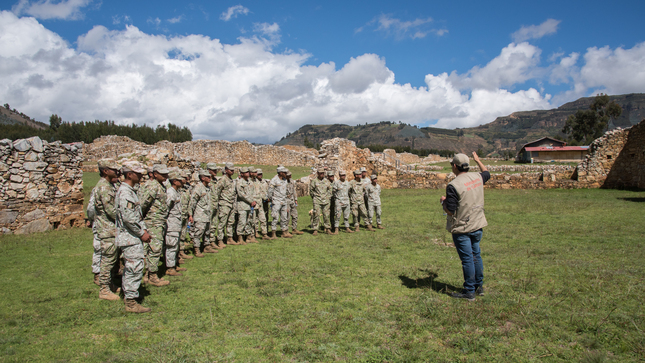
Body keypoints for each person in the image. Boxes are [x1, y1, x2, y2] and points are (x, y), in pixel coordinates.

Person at [440, 152, 490, 301]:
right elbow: (487, 172)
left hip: (462, 227)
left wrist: (443, 201)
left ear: (455, 166)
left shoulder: (454, 185)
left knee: (467, 259)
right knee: (476, 255)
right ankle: (478, 286)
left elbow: (450, 210)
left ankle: (469, 290)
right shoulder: (478, 177)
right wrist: (478, 160)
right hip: (477, 224)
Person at [115, 161, 152, 313]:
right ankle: (131, 302)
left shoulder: (130, 190)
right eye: (138, 173)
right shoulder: (125, 192)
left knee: (132, 266)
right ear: (129, 174)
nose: (141, 175)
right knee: (134, 267)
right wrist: (141, 233)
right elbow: (129, 218)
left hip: (131, 236)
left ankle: (128, 295)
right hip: (129, 237)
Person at [92, 159, 121, 300]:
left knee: (112, 258)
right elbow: (112, 211)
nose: (117, 172)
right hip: (107, 229)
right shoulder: (104, 187)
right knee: (108, 260)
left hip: (112, 229)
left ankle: (110, 285)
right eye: (113, 169)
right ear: (105, 171)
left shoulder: (110, 185)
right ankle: (104, 290)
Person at [139, 164, 171, 287]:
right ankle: (152, 275)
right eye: (163, 174)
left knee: (152, 249)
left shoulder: (160, 186)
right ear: (155, 174)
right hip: (152, 223)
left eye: (166, 174)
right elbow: (142, 205)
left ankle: (147, 274)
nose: (166, 176)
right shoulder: (152, 186)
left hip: (158, 222)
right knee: (154, 249)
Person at [165, 171, 187, 276]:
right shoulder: (170, 192)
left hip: (176, 223)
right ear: (174, 181)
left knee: (175, 245)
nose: (182, 181)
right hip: (171, 224)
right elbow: (166, 209)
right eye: (179, 180)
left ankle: (174, 265)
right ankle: (170, 268)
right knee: (171, 245)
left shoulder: (176, 191)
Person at [189, 170, 215, 256]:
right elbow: (192, 202)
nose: (210, 178)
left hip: (207, 214)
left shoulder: (207, 188)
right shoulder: (198, 187)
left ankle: (206, 246)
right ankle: (196, 249)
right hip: (200, 214)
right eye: (208, 177)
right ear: (202, 178)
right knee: (198, 232)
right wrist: (190, 214)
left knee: (207, 231)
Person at [214, 163, 238, 245]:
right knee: (222, 223)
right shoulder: (223, 180)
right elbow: (217, 191)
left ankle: (229, 238)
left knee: (230, 222)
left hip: (231, 203)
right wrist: (217, 203)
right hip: (224, 203)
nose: (232, 172)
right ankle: (220, 240)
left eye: (233, 170)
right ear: (226, 170)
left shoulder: (231, 180)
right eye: (231, 170)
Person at [235, 167, 257, 244]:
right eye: (246, 172)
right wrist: (250, 201)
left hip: (250, 206)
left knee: (250, 221)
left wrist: (254, 201)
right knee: (242, 222)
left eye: (248, 172)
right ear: (242, 174)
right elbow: (241, 194)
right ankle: (240, 238)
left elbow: (254, 192)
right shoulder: (239, 182)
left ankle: (248, 237)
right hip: (242, 205)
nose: (248, 173)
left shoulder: (250, 182)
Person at [268, 166, 291, 238]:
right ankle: (273, 233)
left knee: (284, 217)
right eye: (284, 172)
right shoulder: (274, 180)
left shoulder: (285, 180)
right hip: (276, 201)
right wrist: (272, 199)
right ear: (280, 173)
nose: (285, 174)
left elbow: (285, 189)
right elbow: (270, 192)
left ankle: (283, 232)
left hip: (283, 201)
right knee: (275, 217)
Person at [309, 168, 332, 235]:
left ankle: (327, 228)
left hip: (326, 201)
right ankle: (315, 229)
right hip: (317, 200)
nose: (322, 174)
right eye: (320, 173)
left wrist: (328, 197)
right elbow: (311, 190)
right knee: (316, 214)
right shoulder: (314, 181)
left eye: (323, 173)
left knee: (326, 215)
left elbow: (330, 189)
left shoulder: (326, 181)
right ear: (318, 173)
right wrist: (315, 197)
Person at [285, 170, 304, 235]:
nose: (290, 176)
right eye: (289, 175)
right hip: (286, 201)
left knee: (295, 215)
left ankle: (294, 229)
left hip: (292, 200)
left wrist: (295, 199)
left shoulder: (291, 181)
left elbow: (294, 191)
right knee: (287, 216)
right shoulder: (283, 182)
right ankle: (286, 230)